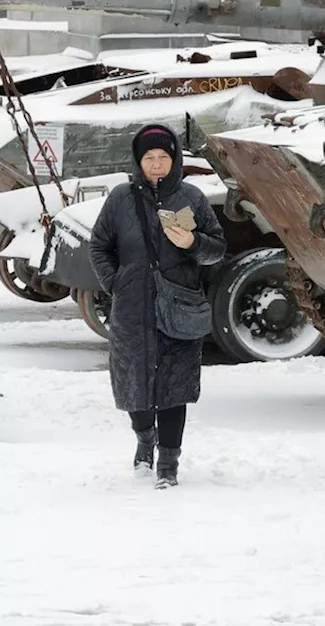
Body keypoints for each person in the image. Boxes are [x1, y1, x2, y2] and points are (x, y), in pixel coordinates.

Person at [89, 123, 227, 489]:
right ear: (138, 160)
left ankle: (168, 462)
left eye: (163, 157)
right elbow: (98, 245)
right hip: (132, 308)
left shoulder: (192, 197)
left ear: (175, 159)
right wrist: (114, 282)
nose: (156, 165)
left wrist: (193, 241)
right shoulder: (120, 198)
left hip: (177, 306)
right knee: (134, 386)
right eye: (149, 158)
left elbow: (217, 249)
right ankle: (143, 438)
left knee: (173, 388)